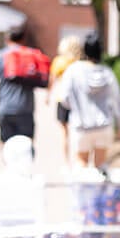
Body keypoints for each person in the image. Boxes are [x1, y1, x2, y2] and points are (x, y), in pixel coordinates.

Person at [56, 32, 120, 169]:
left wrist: (76, 107)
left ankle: (82, 190)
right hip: (104, 125)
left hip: (81, 125)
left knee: (81, 163)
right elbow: (117, 100)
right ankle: (99, 190)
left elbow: (64, 98)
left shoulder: (73, 71)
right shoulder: (107, 72)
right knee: (100, 165)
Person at [0, 24, 41, 150]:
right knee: (26, 147)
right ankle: (25, 169)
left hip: (6, 109)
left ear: (7, 38)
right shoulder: (30, 56)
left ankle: (9, 169)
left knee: (6, 147)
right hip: (26, 109)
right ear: (24, 38)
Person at [49, 34, 84, 165]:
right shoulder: (80, 62)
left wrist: (48, 96)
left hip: (62, 99)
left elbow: (52, 80)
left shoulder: (59, 61)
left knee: (65, 134)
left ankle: (66, 163)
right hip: (78, 100)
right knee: (78, 132)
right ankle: (78, 161)